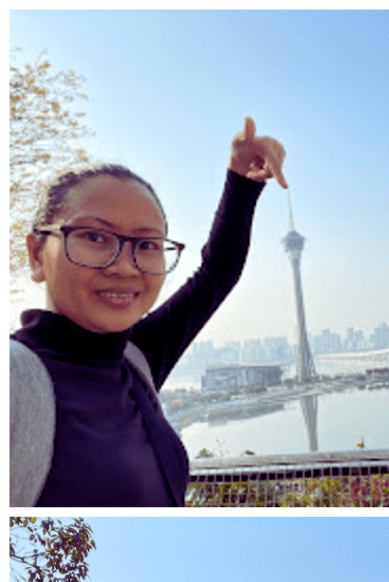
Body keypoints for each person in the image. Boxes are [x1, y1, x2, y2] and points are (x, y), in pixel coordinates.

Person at [10, 117, 287, 507]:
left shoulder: (136, 359)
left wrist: (243, 181)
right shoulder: (14, 381)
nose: (125, 266)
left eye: (147, 244)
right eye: (94, 236)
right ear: (37, 254)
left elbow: (216, 274)